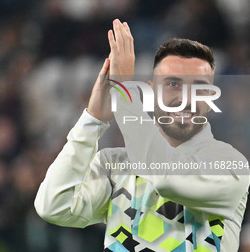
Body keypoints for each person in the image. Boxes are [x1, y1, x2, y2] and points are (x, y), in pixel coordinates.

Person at [34, 19, 249, 252]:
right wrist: (92, 120)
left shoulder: (230, 164)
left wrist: (123, 91)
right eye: (173, 84)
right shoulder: (115, 164)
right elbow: (54, 206)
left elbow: (165, 176)